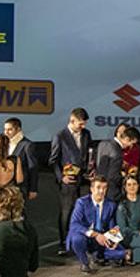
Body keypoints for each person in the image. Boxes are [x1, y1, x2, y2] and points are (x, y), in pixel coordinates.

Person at [49, 108, 93, 257]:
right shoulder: (60, 136)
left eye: (84, 124)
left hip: (84, 180)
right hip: (68, 181)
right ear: (72, 120)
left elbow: (88, 155)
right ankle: (63, 243)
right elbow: (53, 161)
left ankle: (80, 241)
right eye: (80, 124)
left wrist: (90, 169)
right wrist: (62, 177)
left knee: (84, 212)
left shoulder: (87, 134)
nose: (83, 127)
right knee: (66, 212)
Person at [66, 176, 125, 273]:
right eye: (98, 187)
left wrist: (114, 240)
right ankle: (85, 262)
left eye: (104, 188)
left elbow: (112, 226)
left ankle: (97, 256)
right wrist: (95, 234)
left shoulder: (111, 205)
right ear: (92, 189)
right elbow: (74, 224)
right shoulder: (81, 202)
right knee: (77, 239)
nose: (101, 191)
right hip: (85, 235)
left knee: (124, 253)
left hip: (100, 239)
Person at [95, 126, 138, 202]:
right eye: (132, 143)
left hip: (98, 190)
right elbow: (113, 176)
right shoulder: (118, 153)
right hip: (111, 192)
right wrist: (125, 177)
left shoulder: (102, 143)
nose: (131, 146)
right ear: (127, 139)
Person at [3, 118, 38, 203]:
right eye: (5, 129)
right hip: (5, 186)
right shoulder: (3, 143)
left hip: (20, 187)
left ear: (18, 129)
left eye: (10, 129)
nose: (6, 132)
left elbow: (33, 168)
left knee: (19, 214)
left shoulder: (27, 145)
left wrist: (33, 189)